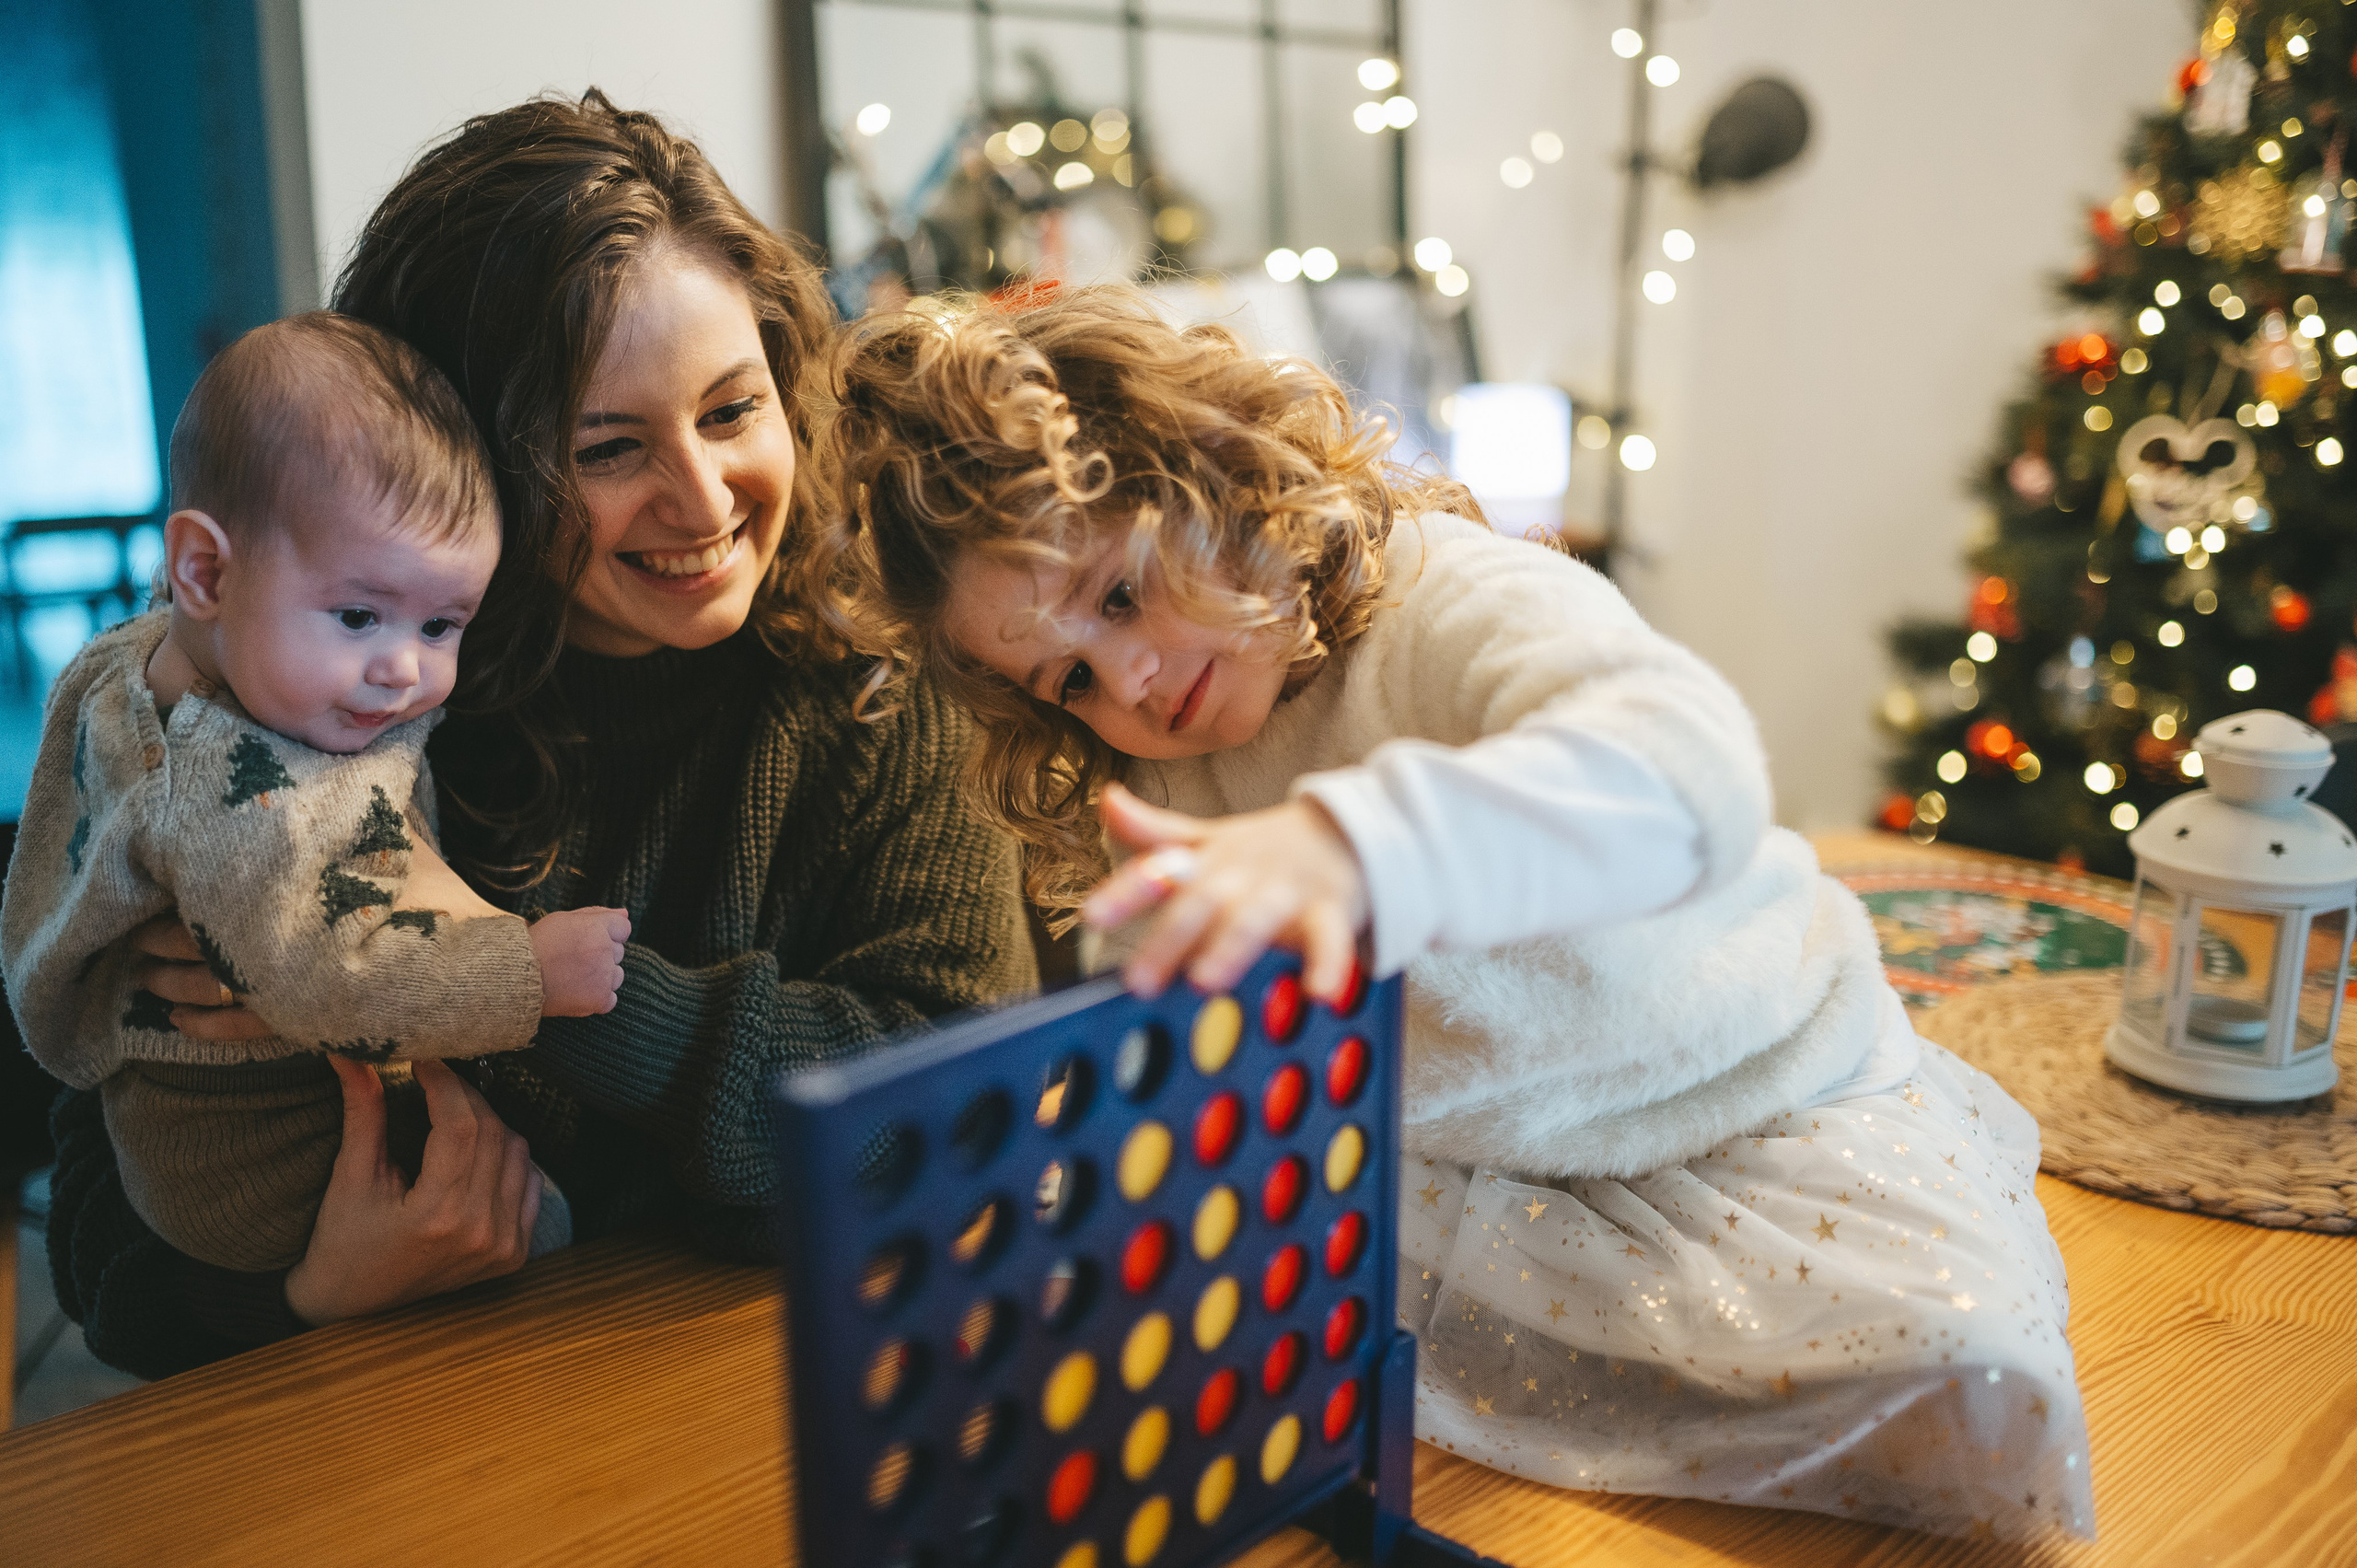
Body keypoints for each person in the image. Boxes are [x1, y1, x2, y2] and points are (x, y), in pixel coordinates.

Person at [821, 285, 2093, 1542]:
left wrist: (1354, 846)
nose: (1133, 680)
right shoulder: (1155, 775)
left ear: (1206, 469)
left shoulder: (1441, 592)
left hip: (1748, 1092)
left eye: (1114, 592)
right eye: (1071, 676)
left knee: (1980, 1385)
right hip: (1479, 1155)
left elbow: (1691, 770)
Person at [42, 93, 1035, 1378]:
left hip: (770, 1390)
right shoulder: (308, 707)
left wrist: (489, 977)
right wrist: (309, 1292)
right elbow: (98, 1219)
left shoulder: (889, 681)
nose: (702, 498)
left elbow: (964, 1115)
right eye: (606, 445)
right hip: (388, 1415)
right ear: (471, 458)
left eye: (734, 410)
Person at [7, 313, 626, 1272]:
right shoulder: (222, 784)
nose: (404, 671)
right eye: (357, 613)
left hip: (222, 1135)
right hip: (260, 1162)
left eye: (444, 622)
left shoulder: (158, 662)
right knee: (548, 1234)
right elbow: (317, 971)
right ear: (203, 570)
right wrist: (530, 969)